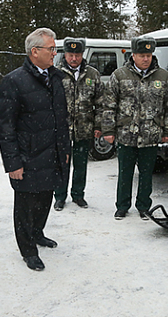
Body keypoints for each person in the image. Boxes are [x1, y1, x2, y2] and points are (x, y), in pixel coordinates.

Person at [0, 28, 70, 271]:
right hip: (27, 157)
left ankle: (38, 234)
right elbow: (5, 127)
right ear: (34, 51)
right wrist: (13, 163)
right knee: (25, 206)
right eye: (51, 49)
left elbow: (62, 118)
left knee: (45, 198)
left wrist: (65, 149)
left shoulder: (56, 78)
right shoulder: (14, 81)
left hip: (52, 152)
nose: (55, 53)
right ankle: (27, 249)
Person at [102, 37, 168, 220]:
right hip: (126, 134)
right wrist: (108, 130)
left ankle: (144, 206)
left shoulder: (163, 76)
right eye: (142, 55)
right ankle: (122, 206)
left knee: (146, 174)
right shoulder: (119, 75)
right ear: (133, 55)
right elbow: (109, 105)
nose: (146, 59)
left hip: (150, 134)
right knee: (125, 173)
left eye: (149, 55)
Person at [53, 37, 104, 211]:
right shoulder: (55, 74)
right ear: (64, 54)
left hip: (84, 128)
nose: (74, 58)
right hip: (61, 130)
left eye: (77, 55)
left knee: (81, 164)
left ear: (82, 54)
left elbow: (100, 102)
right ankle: (59, 196)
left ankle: (78, 195)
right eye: (70, 54)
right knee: (61, 164)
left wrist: (98, 126)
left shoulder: (92, 74)